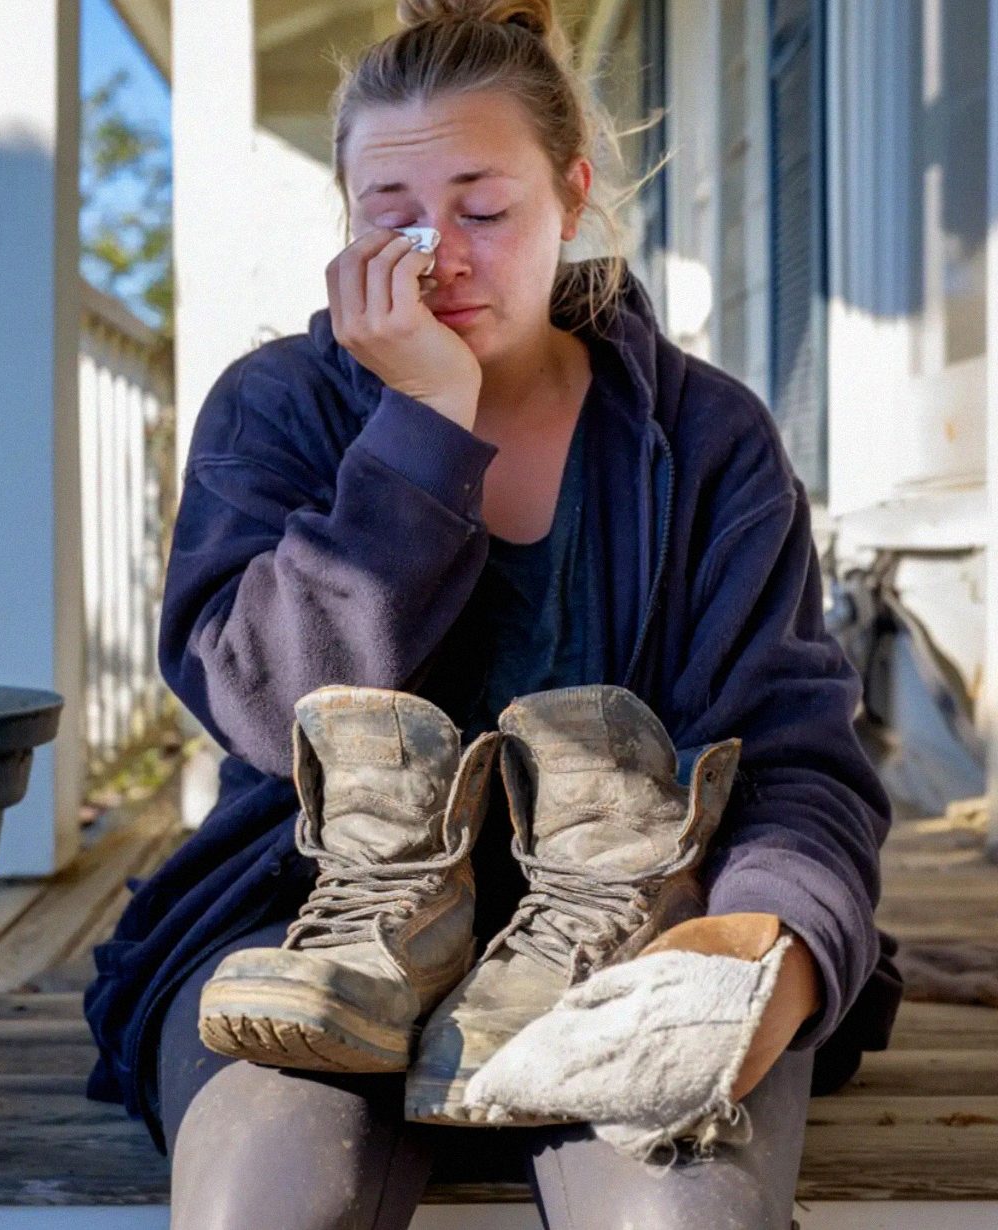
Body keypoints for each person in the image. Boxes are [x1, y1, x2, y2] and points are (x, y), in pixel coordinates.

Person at [83, 2, 904, 1226]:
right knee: (267, 1199)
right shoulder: (276, 410)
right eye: (392, 214)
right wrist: (423, 424)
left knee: (676, 1216)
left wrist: (769, 956)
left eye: (482, 209)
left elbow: (796, 759)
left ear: (569, 198)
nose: (436, 257)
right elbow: (258, 702)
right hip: (310, 934)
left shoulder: (706, 437)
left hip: (637, 934)